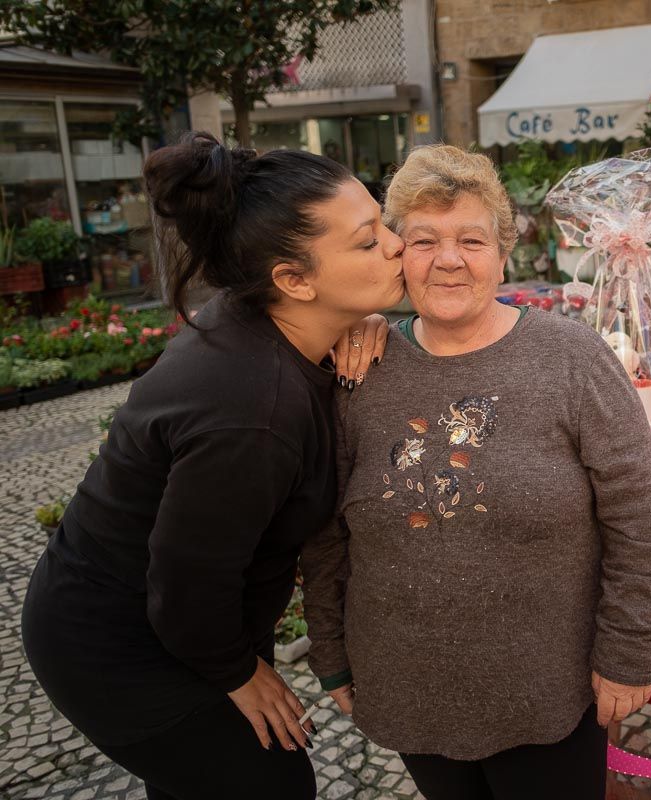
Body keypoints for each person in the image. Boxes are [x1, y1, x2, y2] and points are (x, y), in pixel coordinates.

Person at [21, 131, 404, 800]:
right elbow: (186, 582)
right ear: (293, 279)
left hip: (177, 616)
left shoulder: (271, 320)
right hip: (117, 640)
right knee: (272, 780)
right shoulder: (252, 409)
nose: (396, 246)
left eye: (383, 225)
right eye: (368, 241)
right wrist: (237, 672)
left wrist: (362, 321)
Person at [300, 145, 651, 800]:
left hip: (546, 692)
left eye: (471, 239)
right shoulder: (356, 372)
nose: (448, 259)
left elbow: (636, 521)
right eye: (424, 240)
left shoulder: (572, 361)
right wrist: (330, 655)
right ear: (398, 253)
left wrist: (627, 653)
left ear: (504, 250)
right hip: (406, 685)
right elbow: (327, 534)